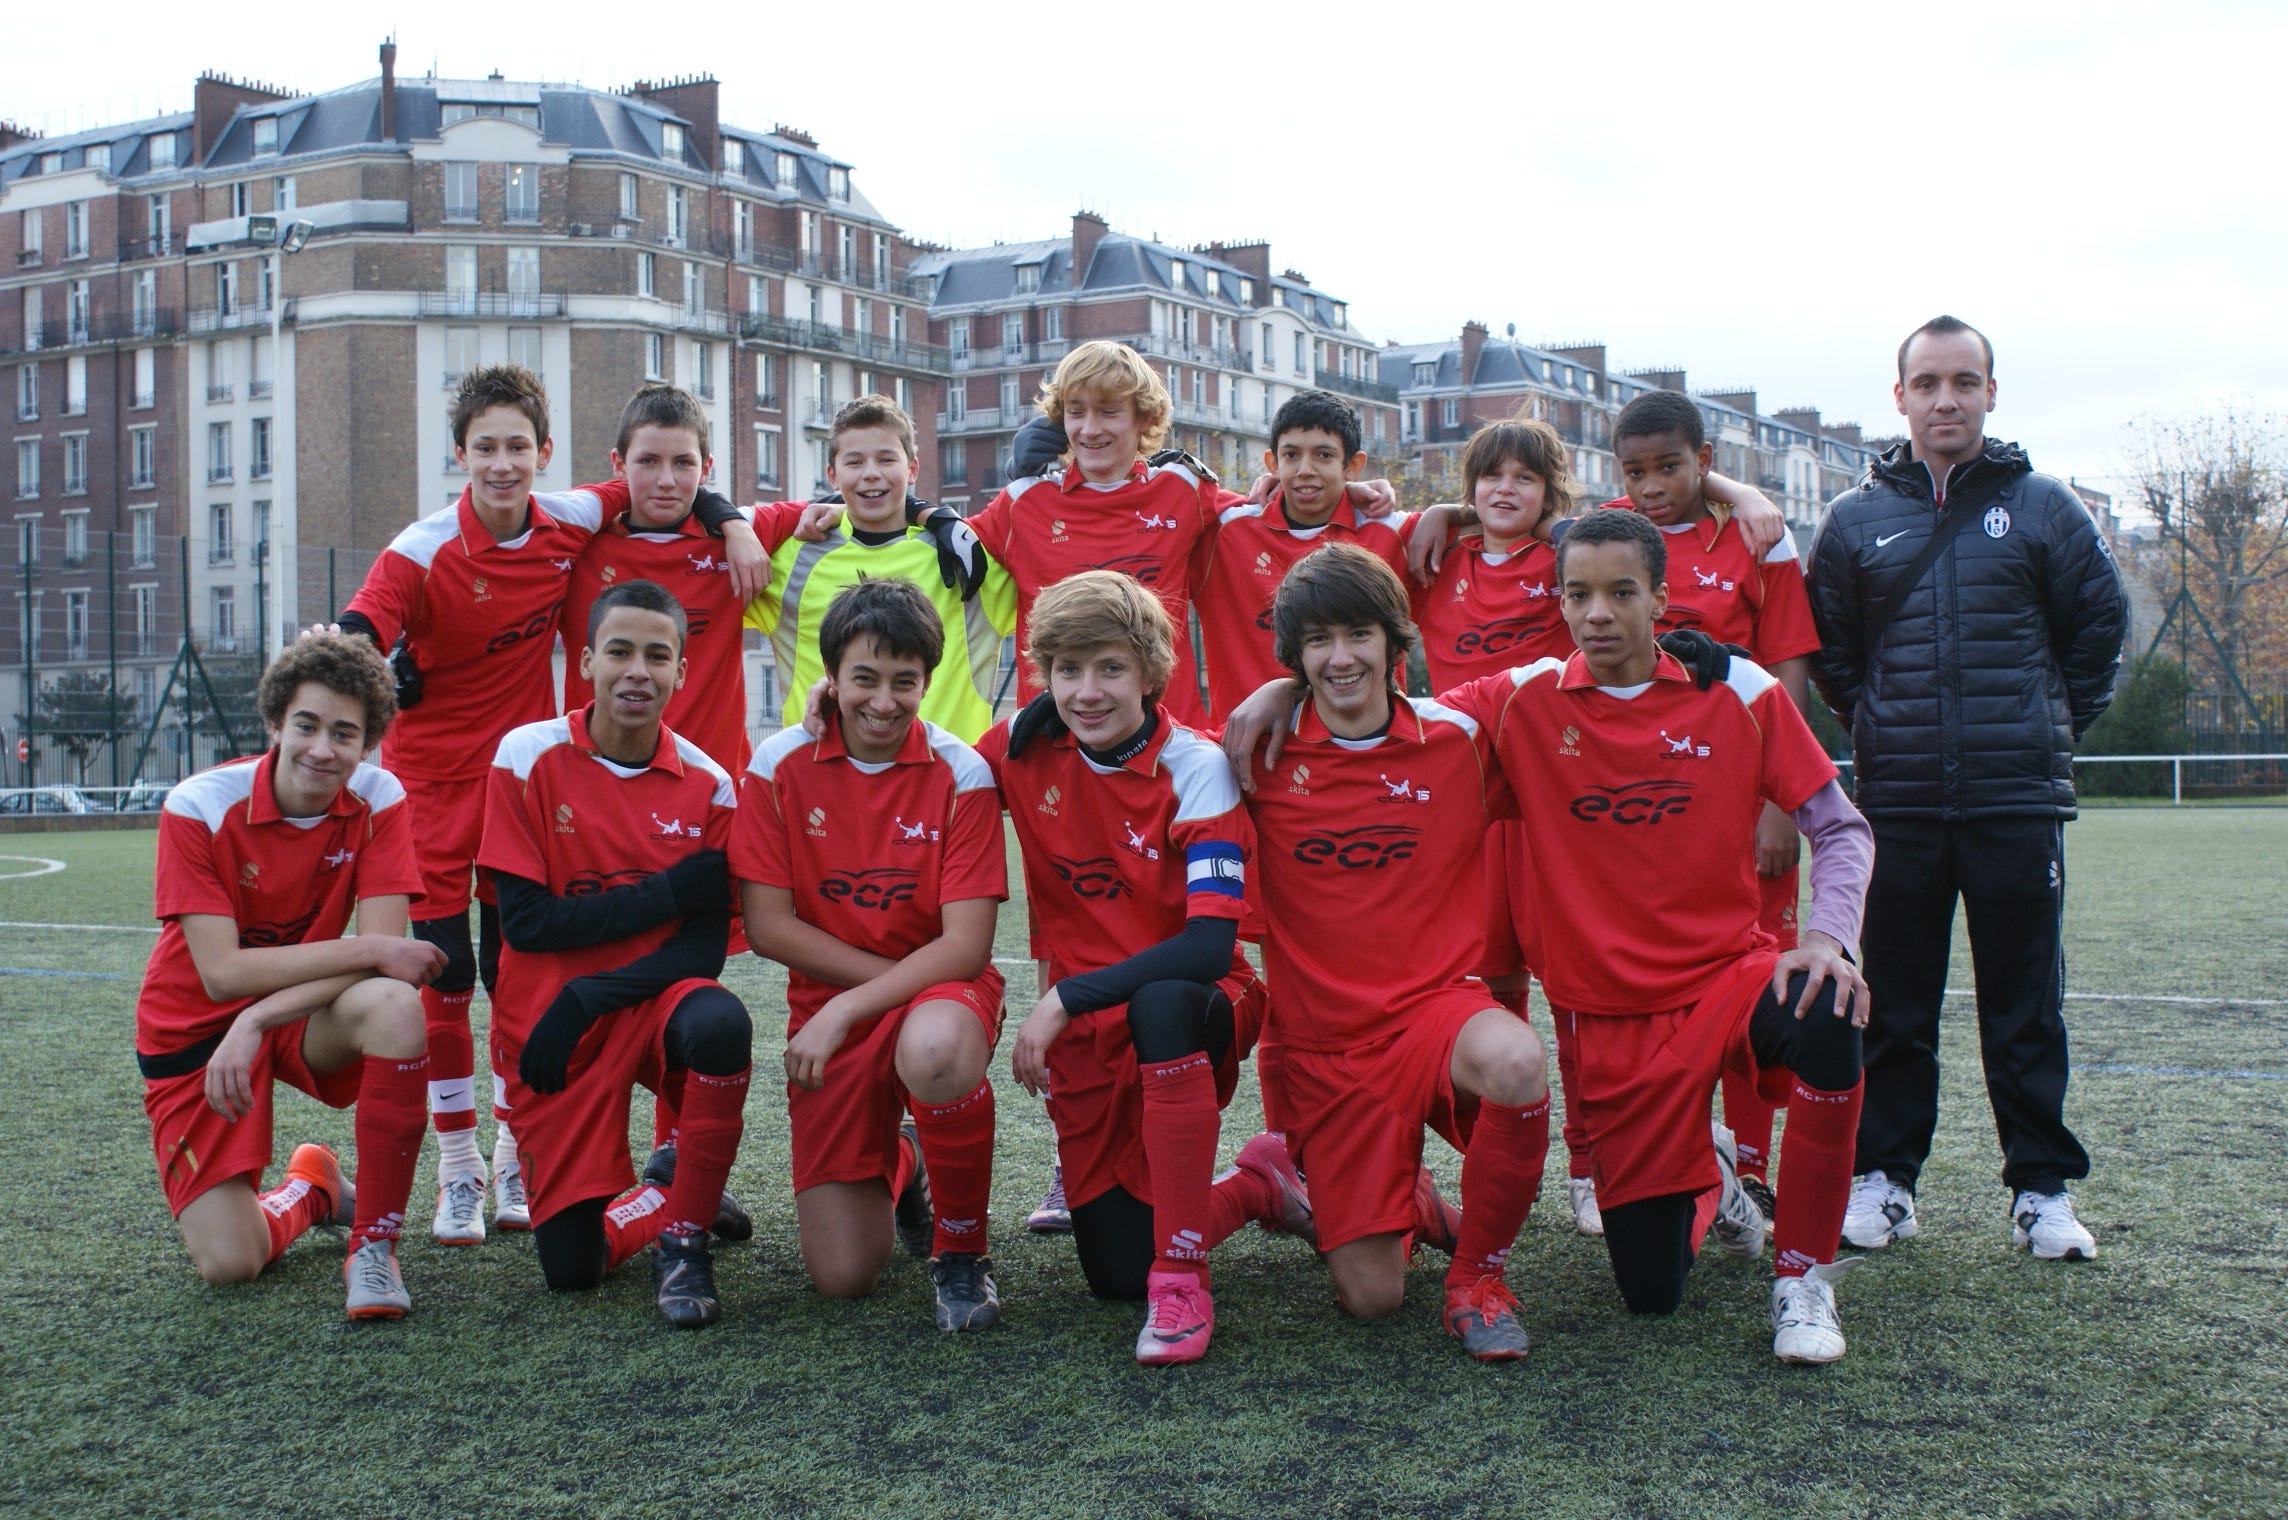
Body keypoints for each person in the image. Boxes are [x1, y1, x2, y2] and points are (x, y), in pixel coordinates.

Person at [1227, 508, 1879, 1363]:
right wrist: (1284, 685)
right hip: (1607, 1022)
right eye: (1578, 594)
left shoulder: (1741, 690)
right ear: (1559, 601)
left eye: (1622, 592)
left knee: (1828, 1011)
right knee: (1650, 1293)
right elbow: (1376, 710)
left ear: (1661, 598)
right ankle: (1708, 1175)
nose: (1598, 613)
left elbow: (1840, 827)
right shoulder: (1515, 704)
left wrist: (1829, 939)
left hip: (1727, 975)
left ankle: (1805, 1279)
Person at [339, 366, 760, 1244]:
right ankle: (457, 1168)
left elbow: (664, 482)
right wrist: (371, 664)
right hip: (432, 793)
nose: (502, 464)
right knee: (443, 978)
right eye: (484, 447)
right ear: (459, 454)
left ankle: (511, 1152)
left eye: (517, 447)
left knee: (514, 972)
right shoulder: (420, 549)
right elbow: (362, 625)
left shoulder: (569, 518)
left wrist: (732, 521)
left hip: (524, 787)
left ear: (545, 453)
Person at [1805, 316, 2127, 1260]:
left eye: (1964, 382)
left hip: (2015, 802)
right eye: (1928, 383)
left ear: (1991, 391)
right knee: (1894, 1008)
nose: (1946, 400)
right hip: (1898, 805)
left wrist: (2041, 723)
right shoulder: (1853, 520)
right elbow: (1834, 656)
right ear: (1900, 396)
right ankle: (1885, 1181)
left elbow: (2098, 630)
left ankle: (2041, 1190)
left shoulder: (2044, 507)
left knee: (2024, 1006)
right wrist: (1886, 726)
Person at [983, 571, 1312, 1364]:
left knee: (1160, 1000)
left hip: (1197, 1002)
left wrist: (1063, 998)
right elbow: (926, 768)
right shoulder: (1021, 746)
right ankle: (1260, 1184)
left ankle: (1184, 1277)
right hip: (1089, 1036)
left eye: (1110, 668)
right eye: (1067, 670)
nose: (1087, 691)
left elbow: (1206, 948)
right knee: (1115, 1275)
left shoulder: (1195, 766)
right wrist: (835, 703)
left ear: (1150, 671)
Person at [1238, 544, 1553, 1360]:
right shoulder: (1253, 754)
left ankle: (1477, 1280)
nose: (1340, 658)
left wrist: (1711, 662)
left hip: (1432, 1014)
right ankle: (1371, 1196)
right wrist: (1273, 692)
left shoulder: (1460, 733)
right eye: (1317, 642)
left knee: (1518, 1062)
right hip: (1326, 1050)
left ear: (1393, 641)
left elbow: (1572, 668)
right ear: (1295, 656)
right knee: (1372, 1299)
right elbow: (1139, 741)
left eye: (1358, 635)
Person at [134, 632, 442, 1318]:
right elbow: (221, 973)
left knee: (395, 1005)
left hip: (295, 1012)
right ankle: (312, 1190)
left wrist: (260, 1016)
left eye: (345, 733)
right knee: (230, 1264)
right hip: (193, 1027)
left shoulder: (380, 797)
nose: (322, 749)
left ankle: (375, 1247)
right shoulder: (198, 804)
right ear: (275, 723)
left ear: (368, 743)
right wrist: (365, 951)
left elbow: (386, 962)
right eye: (306, 725)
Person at [735, 580, 1010, 1330]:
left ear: (927, 681)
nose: (884, 701)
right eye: (865, 678)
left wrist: (852, 1006)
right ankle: (909, 1160)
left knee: (936, 1047)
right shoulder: (777, 765)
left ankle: (962, 1252)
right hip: (837, 1002)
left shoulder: (961, 772)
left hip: (941, 993)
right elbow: (768, 927)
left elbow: (966, 947)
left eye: (904, 682)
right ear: (831, 677)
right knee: (844, 1277)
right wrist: (853, 1005)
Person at [479, 580, 754, 1328]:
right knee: (573, 1271)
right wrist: (666, 893)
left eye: (657, 656)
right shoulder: (525, 757)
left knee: (720, 1023)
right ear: (586, 662)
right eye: (620, 652)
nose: (638, 671)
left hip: (647, 1005)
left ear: (681, 672)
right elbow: (527, 924)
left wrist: (593, 994)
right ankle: (671, 1190)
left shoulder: (711, 785)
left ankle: (685, 1235)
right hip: (548, 1024)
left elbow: (703, 950)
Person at [1609, 387, 1824, 1237]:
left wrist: (1780, 806)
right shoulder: (1609, 533)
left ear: (1704, 461)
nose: (1652, 487)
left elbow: (1788, 668)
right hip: (1644, 809)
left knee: (1759, 977)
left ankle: (1754, 1170)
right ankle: (1680, 1162)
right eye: (1635, 471)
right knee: (1655, 985)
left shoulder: (1760, 538)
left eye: (1669, 467)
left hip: (1742, 801)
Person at [750, 395, 1017, 740]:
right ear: (832, 475)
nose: (871, 473)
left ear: (912, 468)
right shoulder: (792, 560)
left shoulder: (966, 558)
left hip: (947, 770)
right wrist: (733, 525)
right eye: (855, 462)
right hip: (821, 771)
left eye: (886, 459)